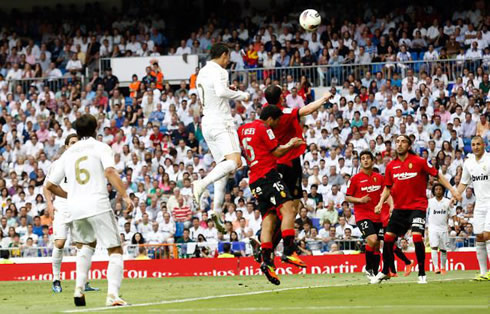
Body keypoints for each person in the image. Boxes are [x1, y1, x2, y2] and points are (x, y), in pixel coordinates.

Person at [46, 114, 134, 307]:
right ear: (96, 128)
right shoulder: (101, 147)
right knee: (115, 249)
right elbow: (110, 171)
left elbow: (50, 185)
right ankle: (112, 295)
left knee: (86, 245)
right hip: (98, 203)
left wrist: (71, 196)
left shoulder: (67, 154)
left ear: (77, 131)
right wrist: (126, 196)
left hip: (76, 207)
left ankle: (78, 288)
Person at [252, 85, 331, 262]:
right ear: (280, 98)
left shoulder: (265, 112)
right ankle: (283, 247)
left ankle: (266, 247)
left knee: (280, 211)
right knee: (290, 209)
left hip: (273, 164)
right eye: (283, 93)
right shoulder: (284, 112)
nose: (285, 95)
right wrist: (324, 98)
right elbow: (308, 109)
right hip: (287, 162)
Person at [371, 135, 459, 284]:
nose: (399, 144)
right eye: (397, 142)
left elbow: (437, 175)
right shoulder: (391, 166)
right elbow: (387, 187)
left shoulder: (419, 162)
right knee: (387, 238)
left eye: (403, 141)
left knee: (417, 236)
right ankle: (385, 271)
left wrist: (452, 190)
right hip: (399, 209)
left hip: (417, 207)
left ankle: (422, 273)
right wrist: (380, 202)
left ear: (409, 145)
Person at [238, 105, 305, 285]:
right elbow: (276, 152)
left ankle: (266, 260)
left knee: (269, 217)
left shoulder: (243, 129)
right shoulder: (264, 128)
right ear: (270, 119)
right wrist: (290, 144)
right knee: (289, 208)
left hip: (254, 179)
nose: (276, 125)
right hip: (268, 175)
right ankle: (289, 249)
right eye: (276, 121)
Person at [193, 43, 250, 223]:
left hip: (207, 121)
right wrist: (242, 95)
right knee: (236, 162)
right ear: (224, 55)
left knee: (222, 169)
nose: (229, 61)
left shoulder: (202, 71)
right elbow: (219, 91)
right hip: (221, 122)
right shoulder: (220, 71)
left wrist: (228, 91)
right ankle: (201, 184)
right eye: (228, 57)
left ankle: (216, 211)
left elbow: (214, 93)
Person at [44, 134, 99, 293]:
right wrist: (49, 204)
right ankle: (56, 279)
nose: (76, 145)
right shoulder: (58, 164)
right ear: (67, 146)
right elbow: (47, 186)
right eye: (73, 143)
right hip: (62, 207)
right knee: (60, 243)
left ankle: (84, 282)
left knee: (83, 245)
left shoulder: (85, 165)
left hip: (80, 207)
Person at [345, 150, 392, 278]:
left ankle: (375, 273)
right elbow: (347, 197)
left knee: (377, 245)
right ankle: (368, 267)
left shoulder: (379, 177)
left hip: (378, 215)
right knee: (372, 239)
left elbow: (387, 193)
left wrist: (391, 206)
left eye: (367, 158)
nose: (365, 160)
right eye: (363, 158)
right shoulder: (355, 179)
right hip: (362, 215)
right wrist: (360, 200)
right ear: (360, 162)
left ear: (372, 161)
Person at [455, 136, 489, 281]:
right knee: (479, 237)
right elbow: (464, 183)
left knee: (488, 235)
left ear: (484, 145)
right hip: (479, 204)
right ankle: (483, 272)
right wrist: (454, 195)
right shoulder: (468, 163)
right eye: (473, 145)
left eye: (478, 144)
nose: (475, 147)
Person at [428, 183, 455, 275]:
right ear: (434, 191)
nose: (438, 191)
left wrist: (454, 224)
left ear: (443, 191)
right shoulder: (430, 202)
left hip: (443, 228)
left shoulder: (447, 202)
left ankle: (443, 267)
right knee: (434, 247)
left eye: (440, 189)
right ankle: (436, 268)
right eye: (436, 189)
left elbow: (453, 214)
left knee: (443, 249)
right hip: (432, 228)